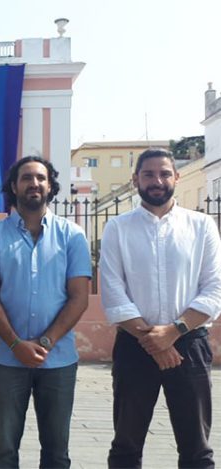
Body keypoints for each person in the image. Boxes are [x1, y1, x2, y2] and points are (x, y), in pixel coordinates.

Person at [100, 148, 221, 468]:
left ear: (177, 177)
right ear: (135, 179)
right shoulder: (117, 228)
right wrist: (154, 342)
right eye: (149, 174)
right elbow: (113, 291)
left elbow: (214, 289)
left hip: (189, 343)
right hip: (134, 344)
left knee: (197, 447)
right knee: (126, 444)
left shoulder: (201, 226)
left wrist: (173, 331)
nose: (157, 180)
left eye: (165, 173)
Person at [0, 156, 91, 469]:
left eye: (41, 178)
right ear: (14, 186)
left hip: (59, 360)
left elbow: (79, 298)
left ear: (50, 185)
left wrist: (46, 343)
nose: (34, 183)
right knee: (4, 450)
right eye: (26, 178)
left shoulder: (73, 236)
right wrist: (16, 344)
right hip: (5, 359)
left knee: (56, 452)